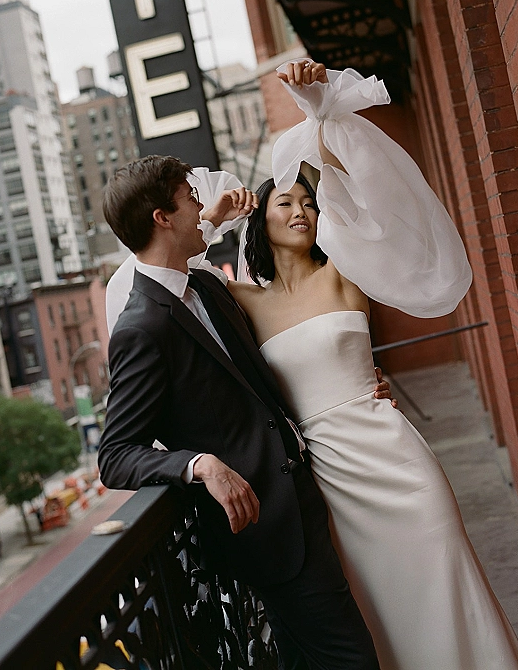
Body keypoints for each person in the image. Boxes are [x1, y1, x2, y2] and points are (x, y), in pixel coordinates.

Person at [220, 60, 518, 670]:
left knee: (444, 565)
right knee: (382, 604)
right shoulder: (243, 302)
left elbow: (366, 195)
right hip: (329, 476)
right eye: (286, 202)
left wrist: (320, 111)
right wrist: (209, 220)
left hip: (393, 452)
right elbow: (172, 284)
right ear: (259, 217)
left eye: (308, 202)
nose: (302, 210)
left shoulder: (346, 270)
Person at [98, 154, 387, 670]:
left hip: (306, 493)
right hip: (266, 530)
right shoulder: (140, 327)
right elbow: (116, 456)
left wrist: (353, 383)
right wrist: (198, 464)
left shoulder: (205, 285)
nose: (201, 208)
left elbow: (268, 367)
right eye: (190, 199)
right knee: (354, 659)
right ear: (163, 218)